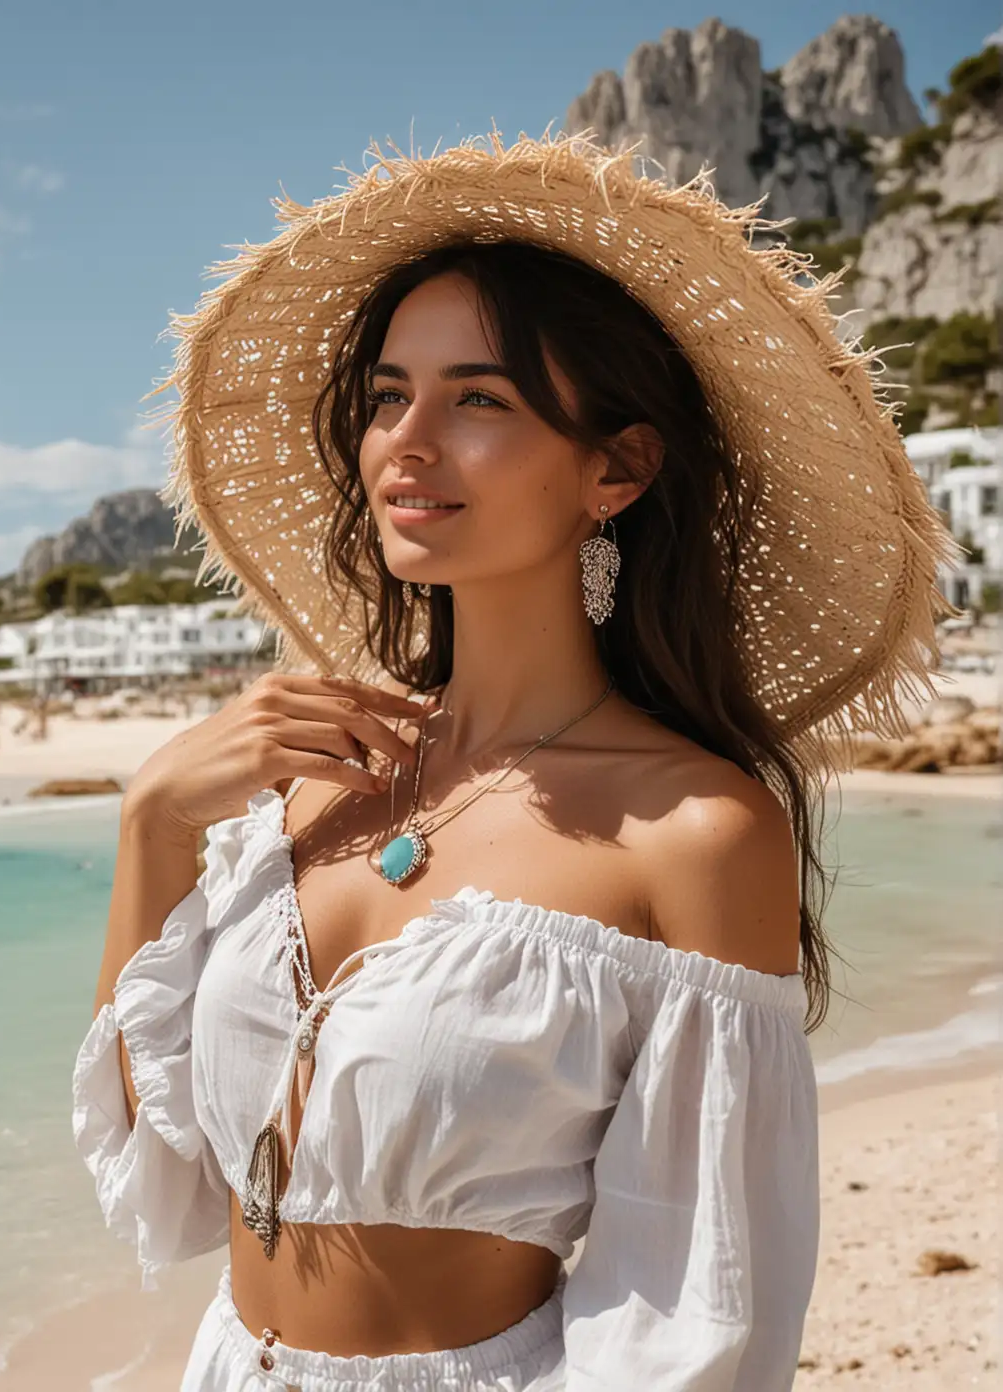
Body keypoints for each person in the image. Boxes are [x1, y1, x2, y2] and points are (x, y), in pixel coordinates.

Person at [74, 134, 953, 1392]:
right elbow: (162, 1188)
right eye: (387, 396)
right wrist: (153, 823)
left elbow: (698, 1307)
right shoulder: (302, 775)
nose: (406, 443)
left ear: (617, 469)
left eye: (478, 399)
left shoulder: (697, 831)